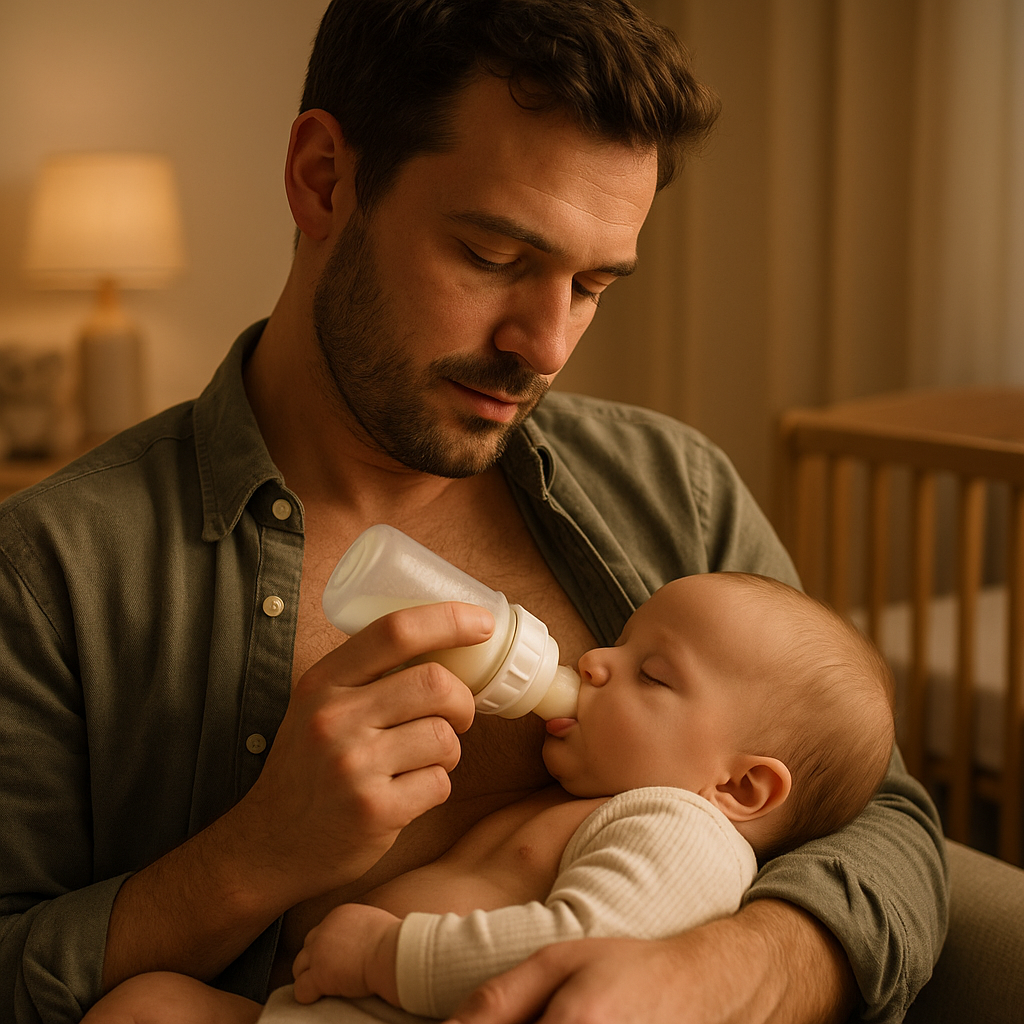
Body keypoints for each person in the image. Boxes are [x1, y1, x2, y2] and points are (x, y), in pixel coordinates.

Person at [0, 2, 947, 1023]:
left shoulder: (677, 490)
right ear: (324, 179)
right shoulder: (56, 571)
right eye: (495, 256)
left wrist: (718, 973)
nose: (545, 345)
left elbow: (884, 818)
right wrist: (254, 856)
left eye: (591, 285)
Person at [80, 571, 896, 1024]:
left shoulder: (683, 831)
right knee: (149, 1005)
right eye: (620, 639)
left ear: (741, 785)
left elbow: (579, 944)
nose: (599, 662)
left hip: (405, 1001)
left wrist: (381, 957)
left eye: (653, 673)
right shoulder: (596, 799)